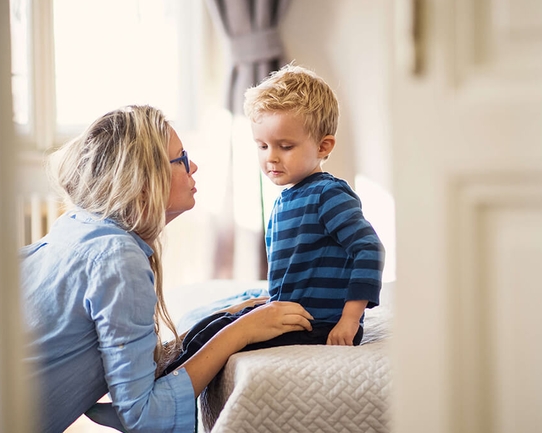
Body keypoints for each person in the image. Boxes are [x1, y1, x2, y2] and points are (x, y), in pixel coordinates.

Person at [20, 105, 314, 433]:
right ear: (144, 182)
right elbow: (144, 416)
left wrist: (226, 318)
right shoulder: (117, 258)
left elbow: (135, 361)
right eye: (181, 158)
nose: (194, 166)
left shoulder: (77, 227)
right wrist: (241, 331)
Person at [160, 64, 385, 374]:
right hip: (292, 314)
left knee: (220, 336)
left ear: (323, 146)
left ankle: (161, 387)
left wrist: (349, 319)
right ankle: (155, 376)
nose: (271, 157)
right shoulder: (287, 198)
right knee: (214, 323)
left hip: (317, 324)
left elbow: (369, 249)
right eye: (262, 146)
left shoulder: (327, 195)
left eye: (285, 146)